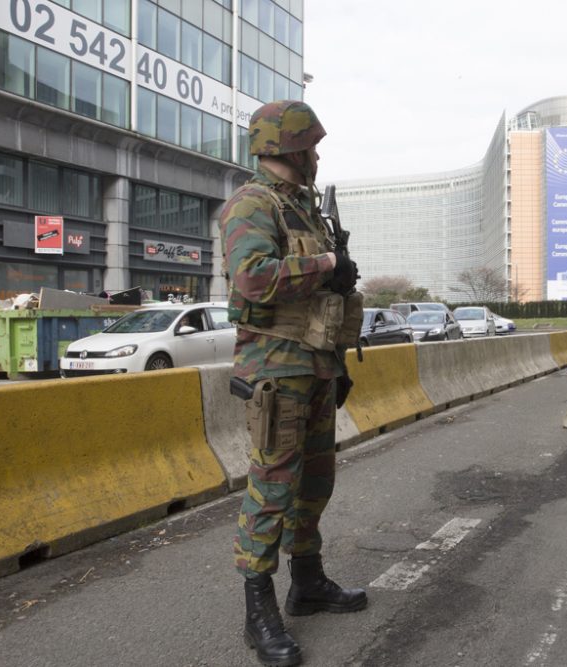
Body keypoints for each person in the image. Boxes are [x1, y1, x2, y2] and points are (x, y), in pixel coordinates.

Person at [218, 100, 365, 667]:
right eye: (311, 145)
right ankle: (259, 613)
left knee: (316, 484)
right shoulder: (251, 205)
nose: (318, 155)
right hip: (275, 370)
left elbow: (324, 293)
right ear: (289, 148)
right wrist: (328, 264)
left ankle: (308, 583)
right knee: (271, 489)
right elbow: (253, 279)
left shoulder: (303, 208)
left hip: (316, 365)